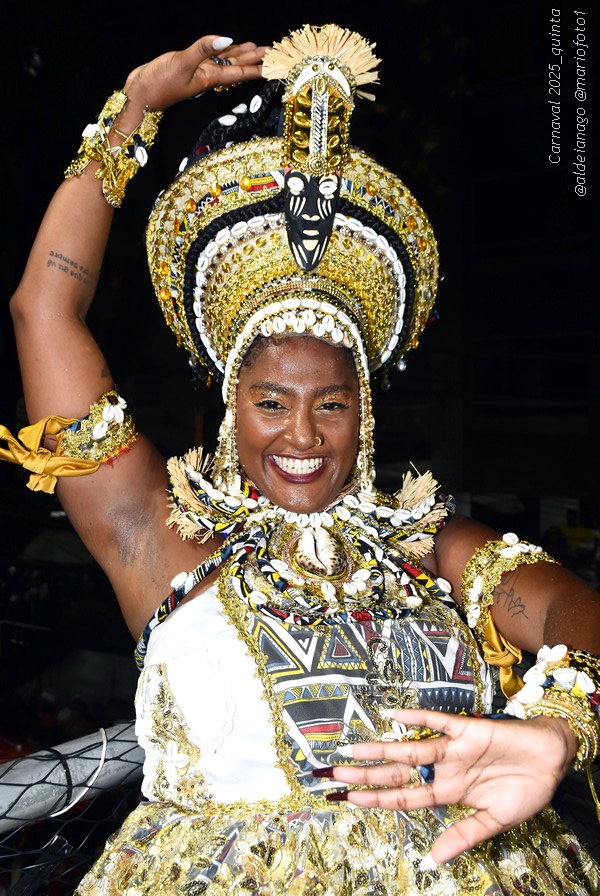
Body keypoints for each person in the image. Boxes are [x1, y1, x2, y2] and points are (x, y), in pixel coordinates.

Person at [2, 24, 600, 895]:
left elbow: (575, 612)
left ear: (365, 411)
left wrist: (560, 722)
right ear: (231, 406)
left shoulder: (434, 551)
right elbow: (44, 311)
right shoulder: (162, 542)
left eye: (332, 404)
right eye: (272, 403)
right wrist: (135, 108)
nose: (303, 437)